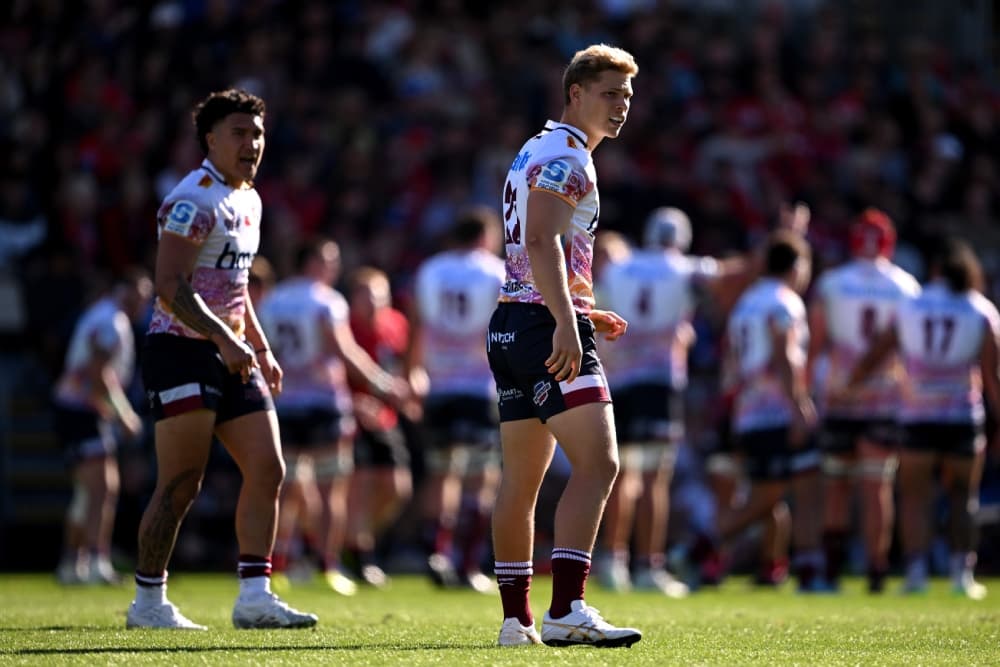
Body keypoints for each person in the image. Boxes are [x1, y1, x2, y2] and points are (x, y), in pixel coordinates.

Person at [125, 89, 317, 630]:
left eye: (257, 132)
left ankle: (254, 596)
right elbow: (168, 286)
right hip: (180, 350)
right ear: (210, 139)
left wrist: (258, 344)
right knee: (183, 480)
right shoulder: (193, 199)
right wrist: (225, 340)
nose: (253, 143)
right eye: (240, 132)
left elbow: (234, 288)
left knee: (269, 467)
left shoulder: (249, 199)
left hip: (229, 351)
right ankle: (148, 602)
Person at [486, 43, 642, 648]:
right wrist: (563, 319)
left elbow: (535, 245)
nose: (621, 106)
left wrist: (577, 304)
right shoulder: (569, 157)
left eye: (627, 95)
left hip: (511, 322)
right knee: (600, 463)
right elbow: (547, 239)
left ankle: (515, 620)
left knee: (520, 482)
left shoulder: (536, 147)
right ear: (574, 93)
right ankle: (567, 608)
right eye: (610, 93)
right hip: (540, 325)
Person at [843, 237, 997, 599]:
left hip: (917, 415)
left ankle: (916, 573)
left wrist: (851, 386)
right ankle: (962, 574)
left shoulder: (909, 306)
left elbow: (876, 353)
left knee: (914, 496)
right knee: (963, 495)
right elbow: (993, 375)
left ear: (934, 270)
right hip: (961, 414)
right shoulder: (980, 310)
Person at [258, 240, 409, 596]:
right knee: (331, 491)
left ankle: (278, 564)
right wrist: (384, 384)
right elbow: (343, 350)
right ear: (312, 262)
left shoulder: (275, 300)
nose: (335, 266)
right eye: (329, 259)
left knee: (288, 490)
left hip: (285, 402)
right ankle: (327, 564)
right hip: (324, 403)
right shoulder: (326, 300)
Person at [694, 229, 825, 592]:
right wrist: (799, 405)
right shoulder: (785, 302)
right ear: (797, 266)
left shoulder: (746, 304)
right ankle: (809, 570)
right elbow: (784, 355)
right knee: (803, 487)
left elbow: (731, 362)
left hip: (747, 410)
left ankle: (767, 564)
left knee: (768, 497)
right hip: (776, 410)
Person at [806, 208, 921, 592]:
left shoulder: (833, 283)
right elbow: (912, 349)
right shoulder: (905, 286)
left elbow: (816, 343)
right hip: (886, 395)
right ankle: (876, 570)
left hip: (840, 393)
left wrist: (811, 389)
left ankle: (832, 571)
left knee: (836, 484)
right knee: (876, 487)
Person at [407, 206, 507, 592]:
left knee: (441, 471)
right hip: (480, 385)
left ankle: (437, 551)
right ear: (484, 236)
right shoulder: (495, 271)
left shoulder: (430, 270)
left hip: (438, 384)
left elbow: (418, 324)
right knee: (481, 475)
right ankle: (468, 563)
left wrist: (413, 373)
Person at [52, 268, 152, 585]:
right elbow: (98, 374)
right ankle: (94, 559)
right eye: (140, 294)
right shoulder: (111, 320)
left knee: (89, 492)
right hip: (81, 410)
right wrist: (123, 414)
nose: (144, 303)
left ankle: (74, 561)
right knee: (101, 488)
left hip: (80, 409)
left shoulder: (103, 316)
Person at [345, 266, 415, 586]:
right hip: (351, 415)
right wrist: (354, 404)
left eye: (379, 296)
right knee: (358, 487)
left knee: (397, 488)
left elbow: (401, 366)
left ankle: (353, 539)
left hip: (385, 416)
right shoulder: (344, 326)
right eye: (366, 296)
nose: (374, 303)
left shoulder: (396, 325)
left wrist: (410, 390)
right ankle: (361, 554)